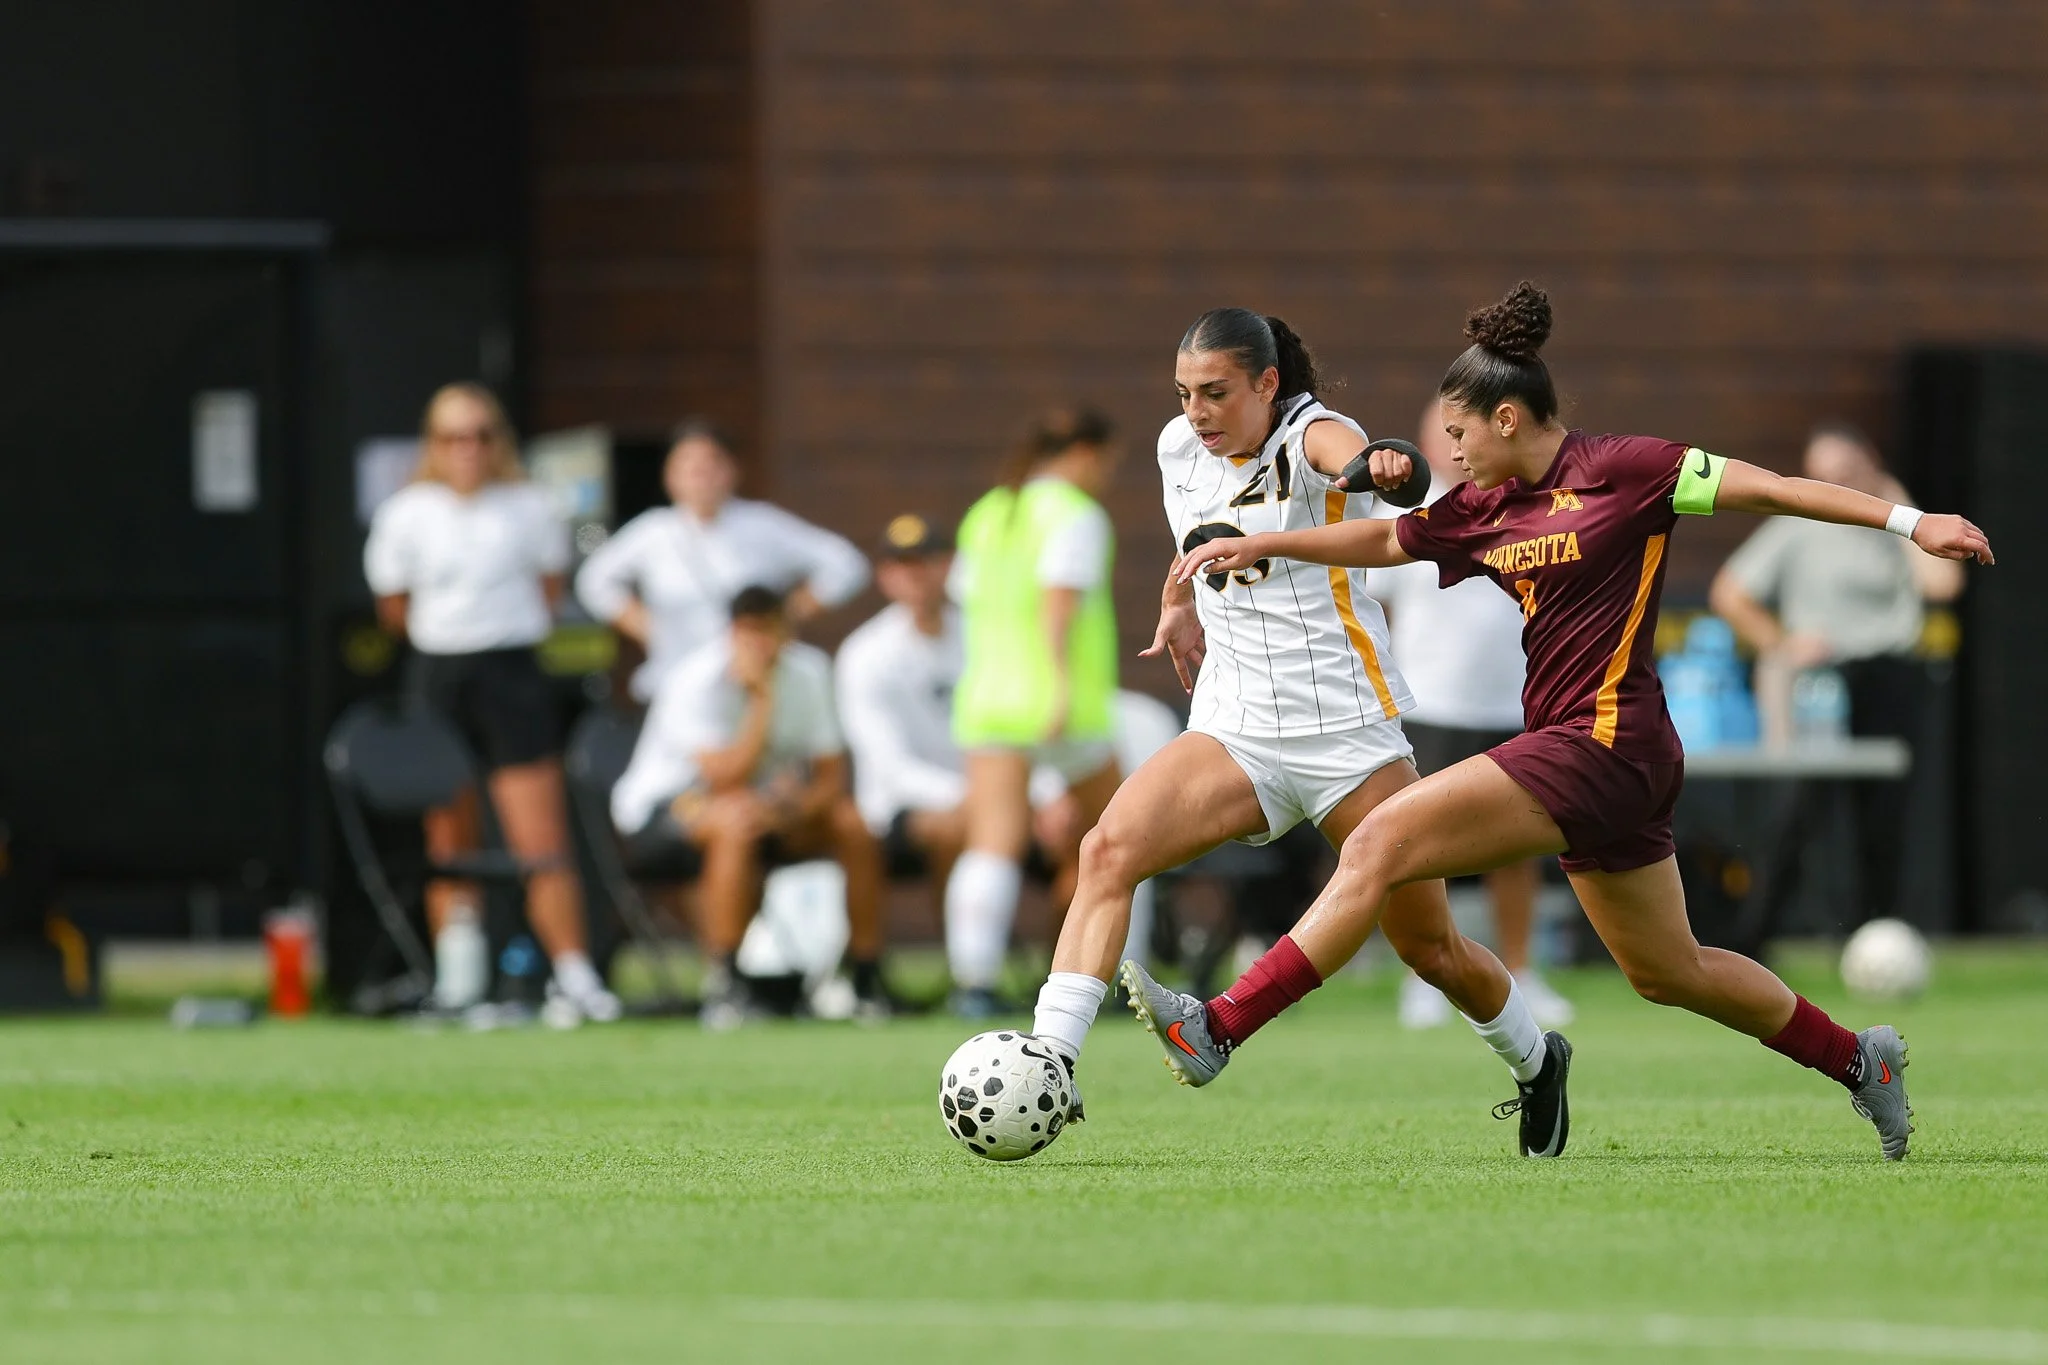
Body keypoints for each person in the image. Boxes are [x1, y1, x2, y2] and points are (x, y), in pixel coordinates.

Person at [1158, 282, 1992, 1161]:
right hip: (1599, 757)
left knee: (1377, 843)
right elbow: (1381, 541)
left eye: (1459, 434)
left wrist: (1911, 521)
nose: (1450, 452)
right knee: (1669, 971)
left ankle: (1220, 1024)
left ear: (1508, 418)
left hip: (1604, 741)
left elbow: (1778, 489)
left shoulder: (1633, 469)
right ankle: (1863, 1061)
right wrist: (1259, 543)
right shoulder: (1483, 509)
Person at [1009, 310, 1551, 1140]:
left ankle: (1538, 1060)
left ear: (1268, 384)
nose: (1198, 410)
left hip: (1348, 731)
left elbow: (1363, 468)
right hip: (1236, 726)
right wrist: (1180, 595)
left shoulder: (1311, 433)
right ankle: (1049, 1065)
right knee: (1106, 850)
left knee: (1431, 948)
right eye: (1186, 393)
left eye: (1217, 392)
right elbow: (1206, 536)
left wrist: (1388, 467)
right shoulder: (1175, 447)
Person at [363, 382, 622, 1026]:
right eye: (453, 437)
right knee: (449, 836)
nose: (468, 449)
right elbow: (394, 609)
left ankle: (574, 976)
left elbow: (549, 586)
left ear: (498, 441)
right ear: (433, 445)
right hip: (439, 675)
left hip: (512, 673)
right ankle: (458, 979)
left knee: (540, 836)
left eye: (480, 435)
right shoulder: (406, 513)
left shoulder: (531, 507)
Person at [1709, 422, 1965, 920]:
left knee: (1885, 814)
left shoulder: (1896, 529)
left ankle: (1877, 930)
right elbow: (1729, 592)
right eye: (1825, 477)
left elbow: (1942, 584)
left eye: (1847, 473)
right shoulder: (1796, 527)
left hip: (1889, 676)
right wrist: (1781, 643)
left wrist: (1901, 508)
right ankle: (1756, 931)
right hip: (1822, 684)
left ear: (1870, 462)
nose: (1838, 485)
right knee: (1798, 807)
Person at [1369, 401, 1571, 1030]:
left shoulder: (1529, 508)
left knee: (1517, 847)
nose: (1456, 446)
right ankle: (1425, 977)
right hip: (1429, 704)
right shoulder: (1405, 515)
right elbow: (1377, 612)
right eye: (1445, 433)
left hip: (1514, 702)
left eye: (1464, 432)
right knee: (1418, 842)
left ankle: (1522, 971)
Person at [610, 585, 887, 1027]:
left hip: (765, 807)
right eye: (748, 631)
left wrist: (791, 810)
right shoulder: (695, 678)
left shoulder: (811, 673)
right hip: (667, 808)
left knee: (852, 824)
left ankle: (868, 975)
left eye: (769, 630)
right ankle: (726, 981)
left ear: (786, 631)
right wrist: (761, 699)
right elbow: (724, 776)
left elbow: (830, 779)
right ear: (733, 631)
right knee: (736, 820)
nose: (759, 643)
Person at [944, 409, 1126, 1018]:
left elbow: (966, 602)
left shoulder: (989, 510)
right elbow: (1059, 606)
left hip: (990, 698)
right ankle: (1115, 976)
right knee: (1122, 837)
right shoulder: (1076, 515)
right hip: (1058, 703)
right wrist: (1057, 688)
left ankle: (974, 983)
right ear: (1084, 453)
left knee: (992, 842)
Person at [574, 419, 870, 700]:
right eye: (689, 465)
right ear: (670, 475)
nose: (701, 475)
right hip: (674, 683)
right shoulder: (653, 531)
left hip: (753, 682)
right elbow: (594, 581)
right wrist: (645, 625)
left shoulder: (762, 524)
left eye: (711, 463)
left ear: (732, 471)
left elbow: (846, 565)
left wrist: (788, 614)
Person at [834, 513, 970, 936]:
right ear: (884, 576)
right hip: (896, 807)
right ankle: (969, 974)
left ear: (948, 566)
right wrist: (974, 796)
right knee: (953, 829)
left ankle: (1069, 976)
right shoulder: (864, 653)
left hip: (988, 793)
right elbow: (889, 766)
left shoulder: (981, 635)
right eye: (900, 565)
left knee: (1075, 829)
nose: (914, 576)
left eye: (925, 561)